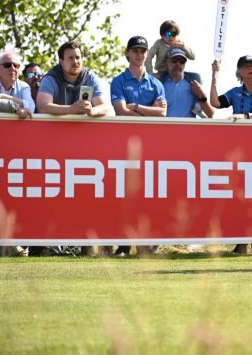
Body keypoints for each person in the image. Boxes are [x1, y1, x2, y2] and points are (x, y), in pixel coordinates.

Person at [210, 55, 252, 255]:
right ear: (239, 71)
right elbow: (215, 103)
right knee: (240, 196)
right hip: (239, 151)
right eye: (246, 67)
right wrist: (214, 74)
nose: (251, 69)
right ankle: (241, 242)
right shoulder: (235, 92)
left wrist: (245, 117)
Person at [110, 36, 167, 257]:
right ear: (127, 53)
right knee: (126, 196)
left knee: (149, 196)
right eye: (135, 50)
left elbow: (162, 113)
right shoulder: (119, 81)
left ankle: (148, 244)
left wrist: (136, 106)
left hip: (151, 146)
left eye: (142, 50)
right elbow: (121, 111)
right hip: (125, 146)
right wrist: (147, 108)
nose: (139, 54)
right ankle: (124, 245)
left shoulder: (156, 83)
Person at [37, 40, 113, 117]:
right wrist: (71, 109)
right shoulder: (50, 78)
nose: (75, 61)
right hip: (56, 127)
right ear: (61, 61)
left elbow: (105, 107)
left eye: (77, 57)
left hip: (83, 127)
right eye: (70, 58)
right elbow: (42, 106)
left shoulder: (90, 78)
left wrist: (92, 110)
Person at [162, 47, 214, 118]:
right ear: (167, 61)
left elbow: (210, 114)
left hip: (188, 128)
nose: (178, 64)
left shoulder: (193, 82)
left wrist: (201, 95)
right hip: (164, 127)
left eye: (182, 61)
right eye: (174, 60)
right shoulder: (159, 83)